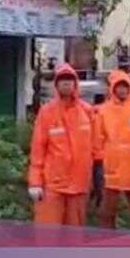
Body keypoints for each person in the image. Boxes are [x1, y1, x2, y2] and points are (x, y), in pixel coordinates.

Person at [27, 63, 97, 226]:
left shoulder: (87, 111)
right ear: (57, 85)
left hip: (79, 185)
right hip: (53, 186)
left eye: (70, 80)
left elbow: (96, 148)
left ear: (75, 84)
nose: (66, 83)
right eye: (63, 80)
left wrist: (96, 180)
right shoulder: (47, 112)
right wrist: (35, 182)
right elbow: (38, 148)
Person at [93, 70, 130, 230]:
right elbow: (98, 138)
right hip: (112, 169)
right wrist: (101, 161)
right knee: (106, 213)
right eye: (119, 86)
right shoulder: (104, 110)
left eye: (125, 86)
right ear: (113, 89)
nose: (122, 90)